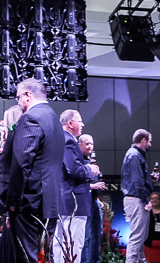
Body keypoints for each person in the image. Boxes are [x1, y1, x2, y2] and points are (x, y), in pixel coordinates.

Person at [6, 79, 64, 263]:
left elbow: (21, 163)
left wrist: (13, 201)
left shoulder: (30, 118)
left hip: (30, 202)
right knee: (46, 256)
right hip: (51, 200)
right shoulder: (54, 118)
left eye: (18, 98)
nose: (19, 104)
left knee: (28, 257)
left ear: (27, 95)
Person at [55, 110, 99, 263]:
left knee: (61, 244)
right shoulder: (68, 140)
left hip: (63, 199)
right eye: (80, 121)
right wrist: (90, 170)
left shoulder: (58, 139)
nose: (82, 124)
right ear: (70, 123)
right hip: (74, 201)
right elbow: (75, 170)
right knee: (74, 245)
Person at [124, 130, 157, 263]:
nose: (150, 144)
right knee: (137, 237)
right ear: (143, 140)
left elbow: (138, 178)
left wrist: (150, 179)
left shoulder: (135, 155)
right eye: (149, 141)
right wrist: (145, 201)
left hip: (136, 198)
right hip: (137, 199)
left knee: (140, 237)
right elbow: (137, 181)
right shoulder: (134, 155)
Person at [79, 134, 108, 263]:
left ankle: (94, 260)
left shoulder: (91, 161)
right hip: (83, 203)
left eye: (91, 144)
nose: (90, 146)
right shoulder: (77, 161)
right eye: (87, 144)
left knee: (97, 233)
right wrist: (92, 186)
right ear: (79, 145)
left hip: (93, 201)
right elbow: (75, 183)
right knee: (85, 236)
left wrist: (97, 198)